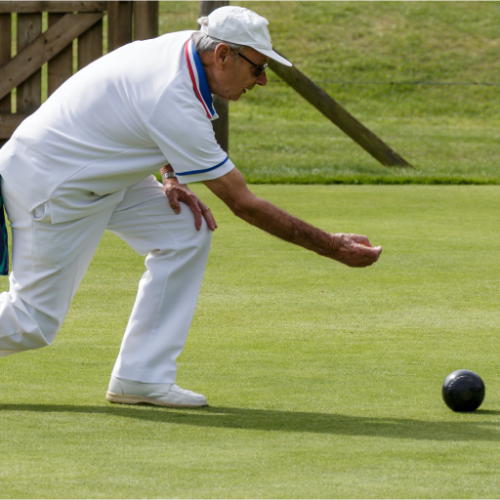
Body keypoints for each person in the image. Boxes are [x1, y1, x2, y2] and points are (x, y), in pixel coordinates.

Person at [0, 6, 382, 408]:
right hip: (55, 185)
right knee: (32, 322)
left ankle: (141, 376)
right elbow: (244, 204)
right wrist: (332, 246)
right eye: (258, 68)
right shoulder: (174, 95)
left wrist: (169, 175)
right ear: (222, 56)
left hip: (98, 175)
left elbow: (138, 120)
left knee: (185, 230)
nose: (263, 80)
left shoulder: (185, 50)